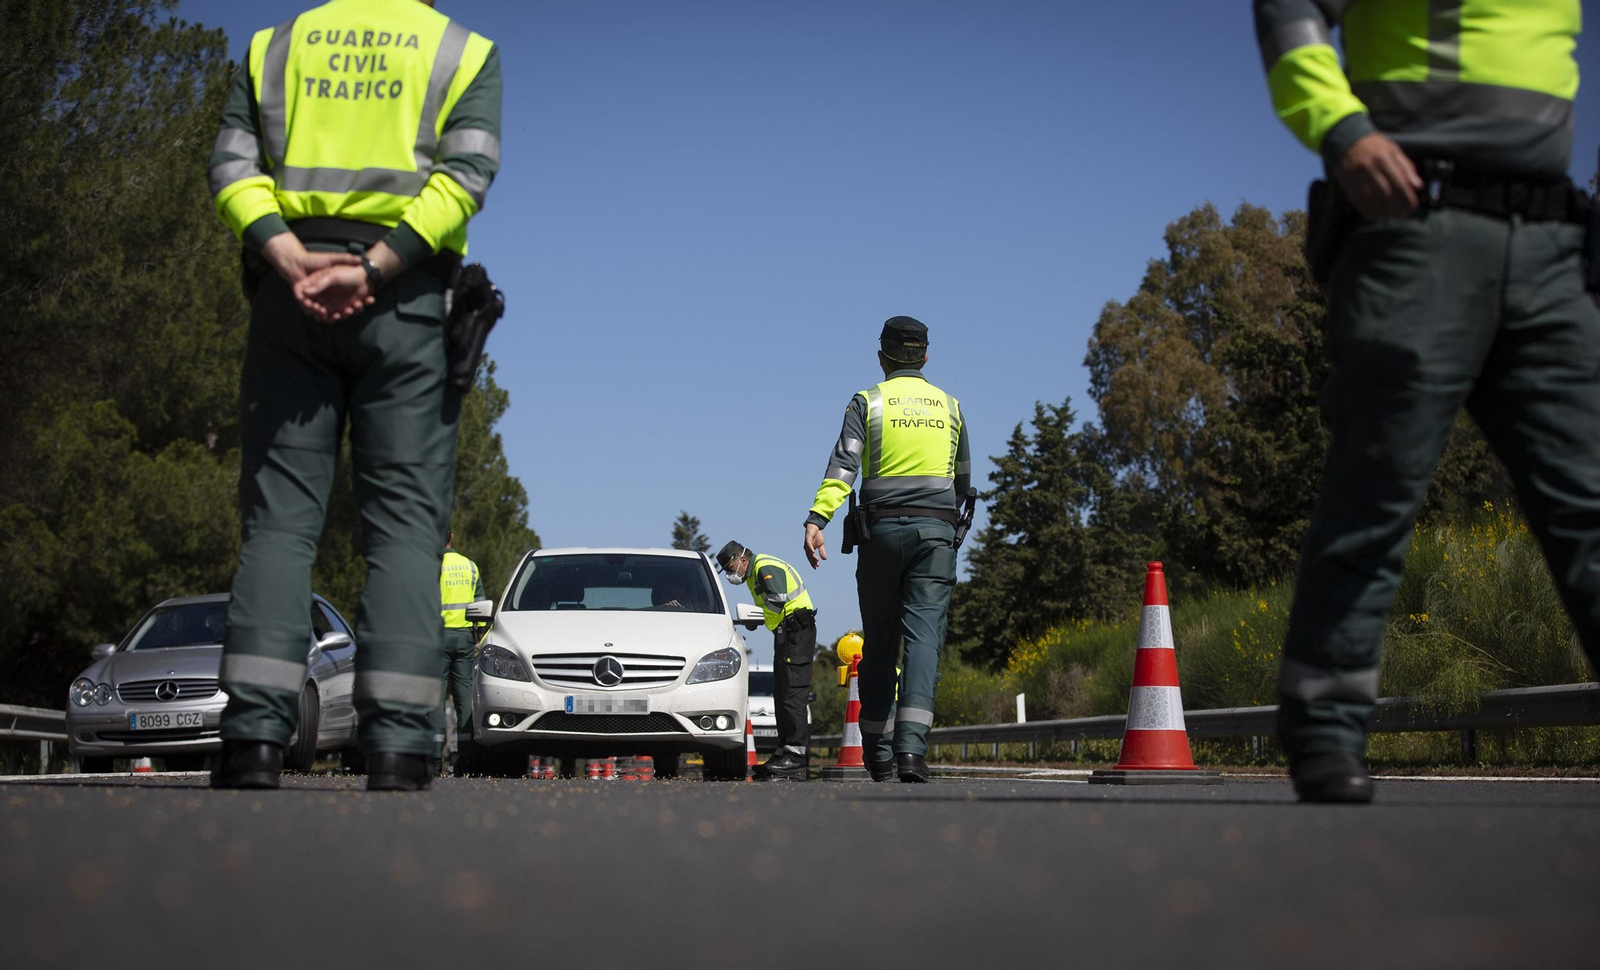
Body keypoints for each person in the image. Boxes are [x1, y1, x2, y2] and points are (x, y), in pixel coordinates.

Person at [1254, 0, 1596, 802]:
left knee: (1590, 498)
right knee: (1377, 488)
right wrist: (1342, 131)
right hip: (1417, 223)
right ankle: (1326, 730)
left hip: (1552, 240)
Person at [207, 0, 502, 791]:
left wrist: (288, 254)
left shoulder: (275, 47)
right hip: (404, 303)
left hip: (288, 295)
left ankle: (253, 745)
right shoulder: (461, 51)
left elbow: (232, 168)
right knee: (406, 529)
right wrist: (375, 265)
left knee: (277, 526)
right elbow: (466, 178)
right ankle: (400, 749)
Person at [802, 316, 971, 783]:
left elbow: (844, 465)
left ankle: (875, 751)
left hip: (880, 534)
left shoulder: (868, 402)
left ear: (881, 358)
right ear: (925, 357)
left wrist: (819, 519)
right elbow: (963, 481)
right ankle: (912, 753)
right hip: (936, 533)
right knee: (924, 641)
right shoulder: (950, 407)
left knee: (880, 638)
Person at [716, 541, 816, 781]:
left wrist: (758, 614)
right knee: (782, 695)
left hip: (796, 631)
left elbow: (779, 598)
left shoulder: (763, 566)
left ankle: (796, 757)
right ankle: (784, 753)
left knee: (793, 695)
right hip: (787, 633)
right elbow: (773, 607)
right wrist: (758, 619)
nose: (732, 574)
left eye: (731, 567)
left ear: (742, 558)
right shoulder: (754, 574)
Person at [436, 530, 483, 771]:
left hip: (437, 637)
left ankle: (434, 758)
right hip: (465, 639)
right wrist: (478, 637)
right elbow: (481, 606)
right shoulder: (470, 566)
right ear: (452, 536)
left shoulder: (432, 566)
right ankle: (466, 758)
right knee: (464, 700)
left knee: (436, 698)